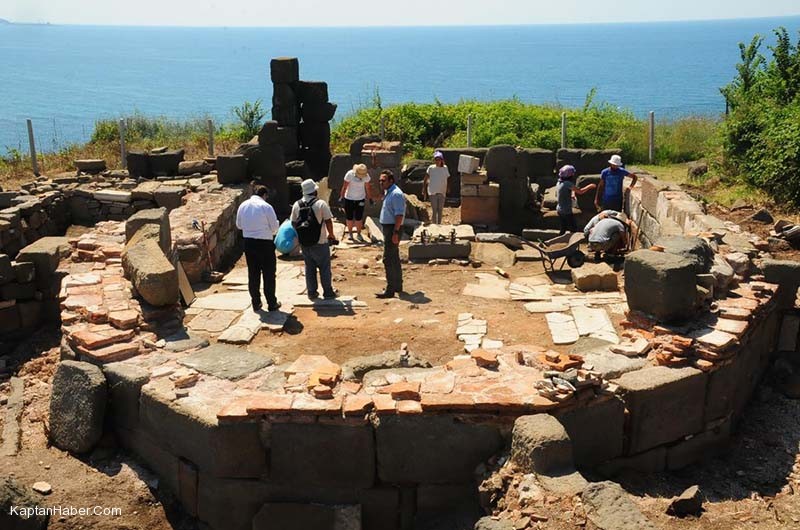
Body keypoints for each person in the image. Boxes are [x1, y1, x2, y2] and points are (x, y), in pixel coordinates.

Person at [291, 179, 339, 300]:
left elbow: (293, 222)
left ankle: (312, 292)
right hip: (320, 241)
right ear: (314, 191)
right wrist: (331, 235)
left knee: (309, 268)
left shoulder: (297, 205)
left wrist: (301, 236)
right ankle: (328, 292)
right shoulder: (320, 204)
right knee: (324, 268)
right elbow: (328, 220)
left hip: (305, 243)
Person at [236, 185, 281, 312]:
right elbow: (274, 228)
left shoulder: (243, 205)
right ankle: (272, 303)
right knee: (269, 274)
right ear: (265, 195)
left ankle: (256, 303)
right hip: (265, 243)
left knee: (253, 274)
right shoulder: (266, 207)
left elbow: (239, 225)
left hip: (249, 243)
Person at [376, 170, 405, 298]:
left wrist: (396, 232)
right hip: (389, 227)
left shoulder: (396, 194)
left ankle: (390, 289)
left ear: (391, 181)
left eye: (383, 180)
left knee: (387, 259)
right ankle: (397, 285)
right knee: (394, 257)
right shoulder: (389, 192)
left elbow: (399, 215)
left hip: (393, 228)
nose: (381, 183)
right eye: (380, 180)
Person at [556, 165, 596, 234]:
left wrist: (572, 194)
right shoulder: (567, 183)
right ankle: (572, 242)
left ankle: (559, 240)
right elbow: (580, 191)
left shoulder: (559, 182)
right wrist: (590, 186)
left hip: (559, 209)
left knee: (563, 227)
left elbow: (569, 190)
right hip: (566, 210)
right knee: (573, 228)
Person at [339, 163, 374, 242]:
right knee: (349, 217)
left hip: (360, 198)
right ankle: (350, 233)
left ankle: (358, 233)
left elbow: (368, 187)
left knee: (359, 217)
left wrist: (370, 198)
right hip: (349, 198)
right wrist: (342, 197)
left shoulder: (366, 176)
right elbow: (344, 186)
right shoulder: (349, 174)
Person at [423, 151, 450, 225]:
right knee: (434, 209)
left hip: (442, 191)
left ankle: (439, 224)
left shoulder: (445, 168)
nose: (437, 161)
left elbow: (447, 178)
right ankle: (434, 224)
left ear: (442, 160)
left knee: (440, 209)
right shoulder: (431, 168)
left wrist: (448, 188)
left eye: (439, 159)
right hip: (432, 191)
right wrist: (424, 189)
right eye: (436, 159)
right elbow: (425, 179)